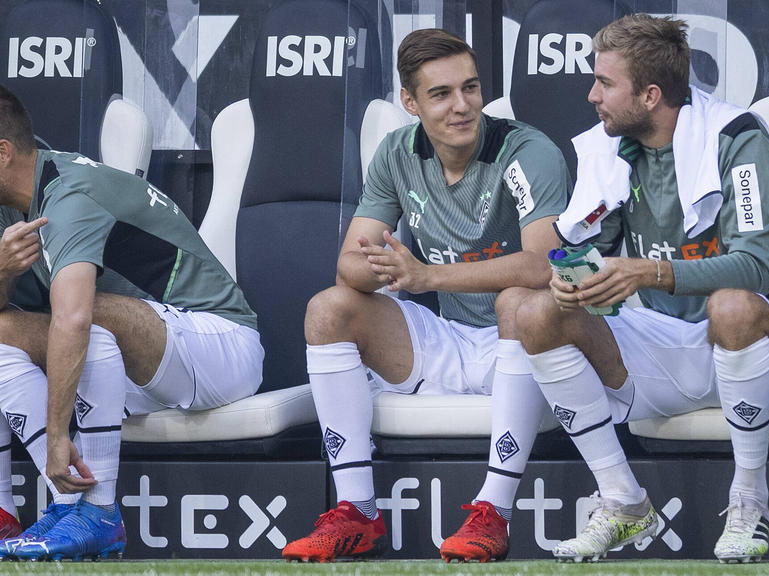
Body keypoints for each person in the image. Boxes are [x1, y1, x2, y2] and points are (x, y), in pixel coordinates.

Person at [495, 14, 769, 563]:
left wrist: (651, 273)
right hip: (668, 341)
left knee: (733, 306)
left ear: (650, 95)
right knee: (530, 311)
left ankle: (749, 500)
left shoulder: (737, 136)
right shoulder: (610, 146)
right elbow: (587, 247)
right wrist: (572, 279)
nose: (590, 95)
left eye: (605, 83)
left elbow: (758, 268)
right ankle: (622, 500)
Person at [280, 28, 569, 563]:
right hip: (453, 338)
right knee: (328, 310)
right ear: (410, 103)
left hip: (530, 339)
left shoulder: (527, 149)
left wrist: (425, 276)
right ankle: (356, 511)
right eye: (441, 95)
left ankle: (493, 514)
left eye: (471, 88)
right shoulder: (396, 151)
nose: (462, 106)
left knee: (519, 304)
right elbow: (349, 263)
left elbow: (541, 265)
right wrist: (382, 269)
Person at [0, 83, 264, 561]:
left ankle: (99, 511)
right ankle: (59, 507)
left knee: (78, 314)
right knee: (5, 332)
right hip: (140, 362)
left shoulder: (70, 193)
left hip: (220, 343)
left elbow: (76, 319)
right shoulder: (13, 198)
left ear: (2, 154)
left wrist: (59, 437)